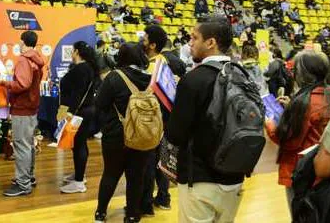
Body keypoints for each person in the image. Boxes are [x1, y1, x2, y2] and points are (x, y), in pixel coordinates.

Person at [166, 15, 244, 223]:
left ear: (210, 43)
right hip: (235, 177)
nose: (189, 43)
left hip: (200, 179)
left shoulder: (193, 80)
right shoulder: (241, 74)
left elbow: (175, 134)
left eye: (194, 38)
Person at [265, 51, 330, 214]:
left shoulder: (303, 103)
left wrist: (269, 124)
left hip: (302, 172)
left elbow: (289, 141)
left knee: (302, 215)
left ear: (301, 74)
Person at [94, 43, 156, 223]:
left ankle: (101, 213)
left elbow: (100, 104)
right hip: (143, 135)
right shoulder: (150, 78)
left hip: (116, 135)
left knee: (111, 174)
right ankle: (132, 215)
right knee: (136, 177)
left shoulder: (114, 77)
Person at [0, 31, 45, 197]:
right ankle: (29, 177)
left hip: (22, 107)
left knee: (21, 146)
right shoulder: (36, 59)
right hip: (31, 107)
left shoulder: (24, 59)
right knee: (28, 144)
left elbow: (22, 84)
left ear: (22, 42)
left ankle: (23, 183)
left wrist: (4, 82)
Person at [58, 41, 98, 194]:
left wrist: (69, 112)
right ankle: (79, 174)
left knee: (79, 145)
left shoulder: (81, 69)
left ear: (76, 52)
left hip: (79, 112)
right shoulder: (88, 68)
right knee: (79, 144)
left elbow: (76, 94)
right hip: (85, 110)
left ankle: (79, 182)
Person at [140, 25, 171, 214]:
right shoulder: (163, 62)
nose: (141, 41)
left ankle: (146, 203)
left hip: (153, 122)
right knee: (162, 161)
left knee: (149, 163)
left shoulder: (151, 68)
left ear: (152, 45)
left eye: (144, 38)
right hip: (165, 121)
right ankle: (164, 197)